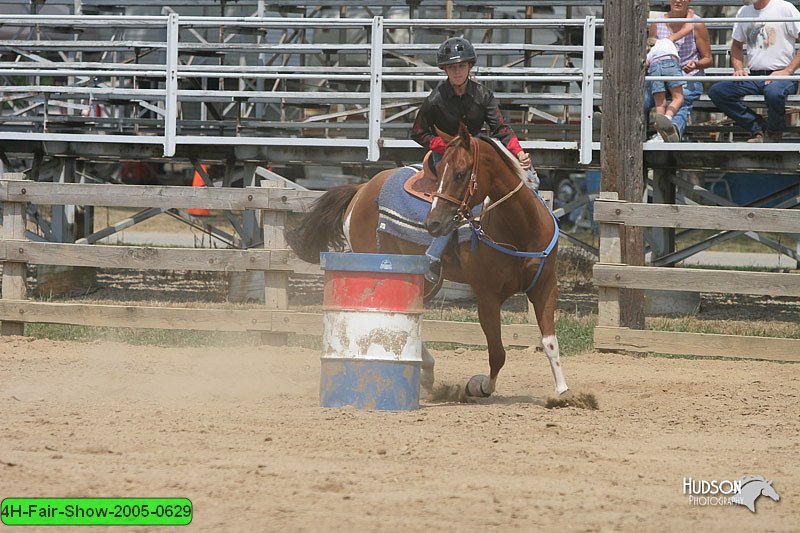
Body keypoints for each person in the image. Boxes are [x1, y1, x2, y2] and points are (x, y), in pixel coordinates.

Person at [411, 36, 536, 283]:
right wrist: (444, 145)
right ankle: (433, 256)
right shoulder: (435, 99)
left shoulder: (483, 95)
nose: (456, 71)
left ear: (470, 67)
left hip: (477, 152)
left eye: (461, 66)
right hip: (447, 157)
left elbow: (500, 127)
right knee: (457, 198)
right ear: (445, 70)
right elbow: (417, 132)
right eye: (451, 67)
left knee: (530, 179)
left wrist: (519, 153)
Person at [708, 0, 800, 143]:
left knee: (773, 92)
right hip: (755, 75)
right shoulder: (743, 11)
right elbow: (736, 46)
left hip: (782, 75)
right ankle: (758, 128)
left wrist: (787, 71)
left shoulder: (784, 7)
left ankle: (774, 133)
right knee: (718, 91)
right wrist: (738, 69)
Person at [645, 0, 712, 143]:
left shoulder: (697, 24)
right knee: (643, 99)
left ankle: (669, 132)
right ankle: (657, 132)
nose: (678, 0)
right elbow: (651, 50)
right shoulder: (657, 23)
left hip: (688, 75)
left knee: (683, 98)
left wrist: (696, 64)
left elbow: (708, 59)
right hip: (660, 74)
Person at [646, 34, 687, 142]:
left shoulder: (649, 52)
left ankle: (660, 135)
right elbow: (686, 29)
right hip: (670, 63)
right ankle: (668, 118)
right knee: (678, 98)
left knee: (660, 103)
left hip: (654, 68)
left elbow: (645, 64)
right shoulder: (666, 40)